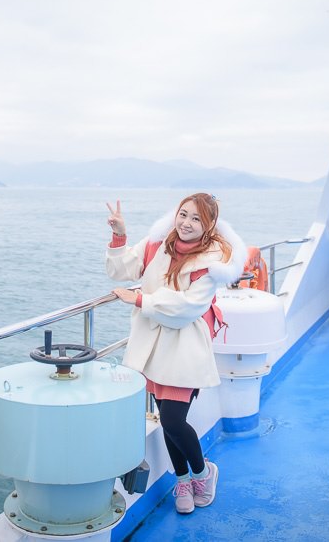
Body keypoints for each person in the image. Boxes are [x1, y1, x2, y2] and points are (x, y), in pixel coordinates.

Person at [105, 193, 246, 515]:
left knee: (172, 419)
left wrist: (142, 300)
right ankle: (182, 480)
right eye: (183, 214)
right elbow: (123, 270)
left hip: (185, 345)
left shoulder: (213, 261)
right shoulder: (158, 243)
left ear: (209, 226)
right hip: (153, 346)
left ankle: (203, 473)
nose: (186, 223)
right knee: (168, 422)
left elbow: (187, 308)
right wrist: (119, 234)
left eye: (197, 219)